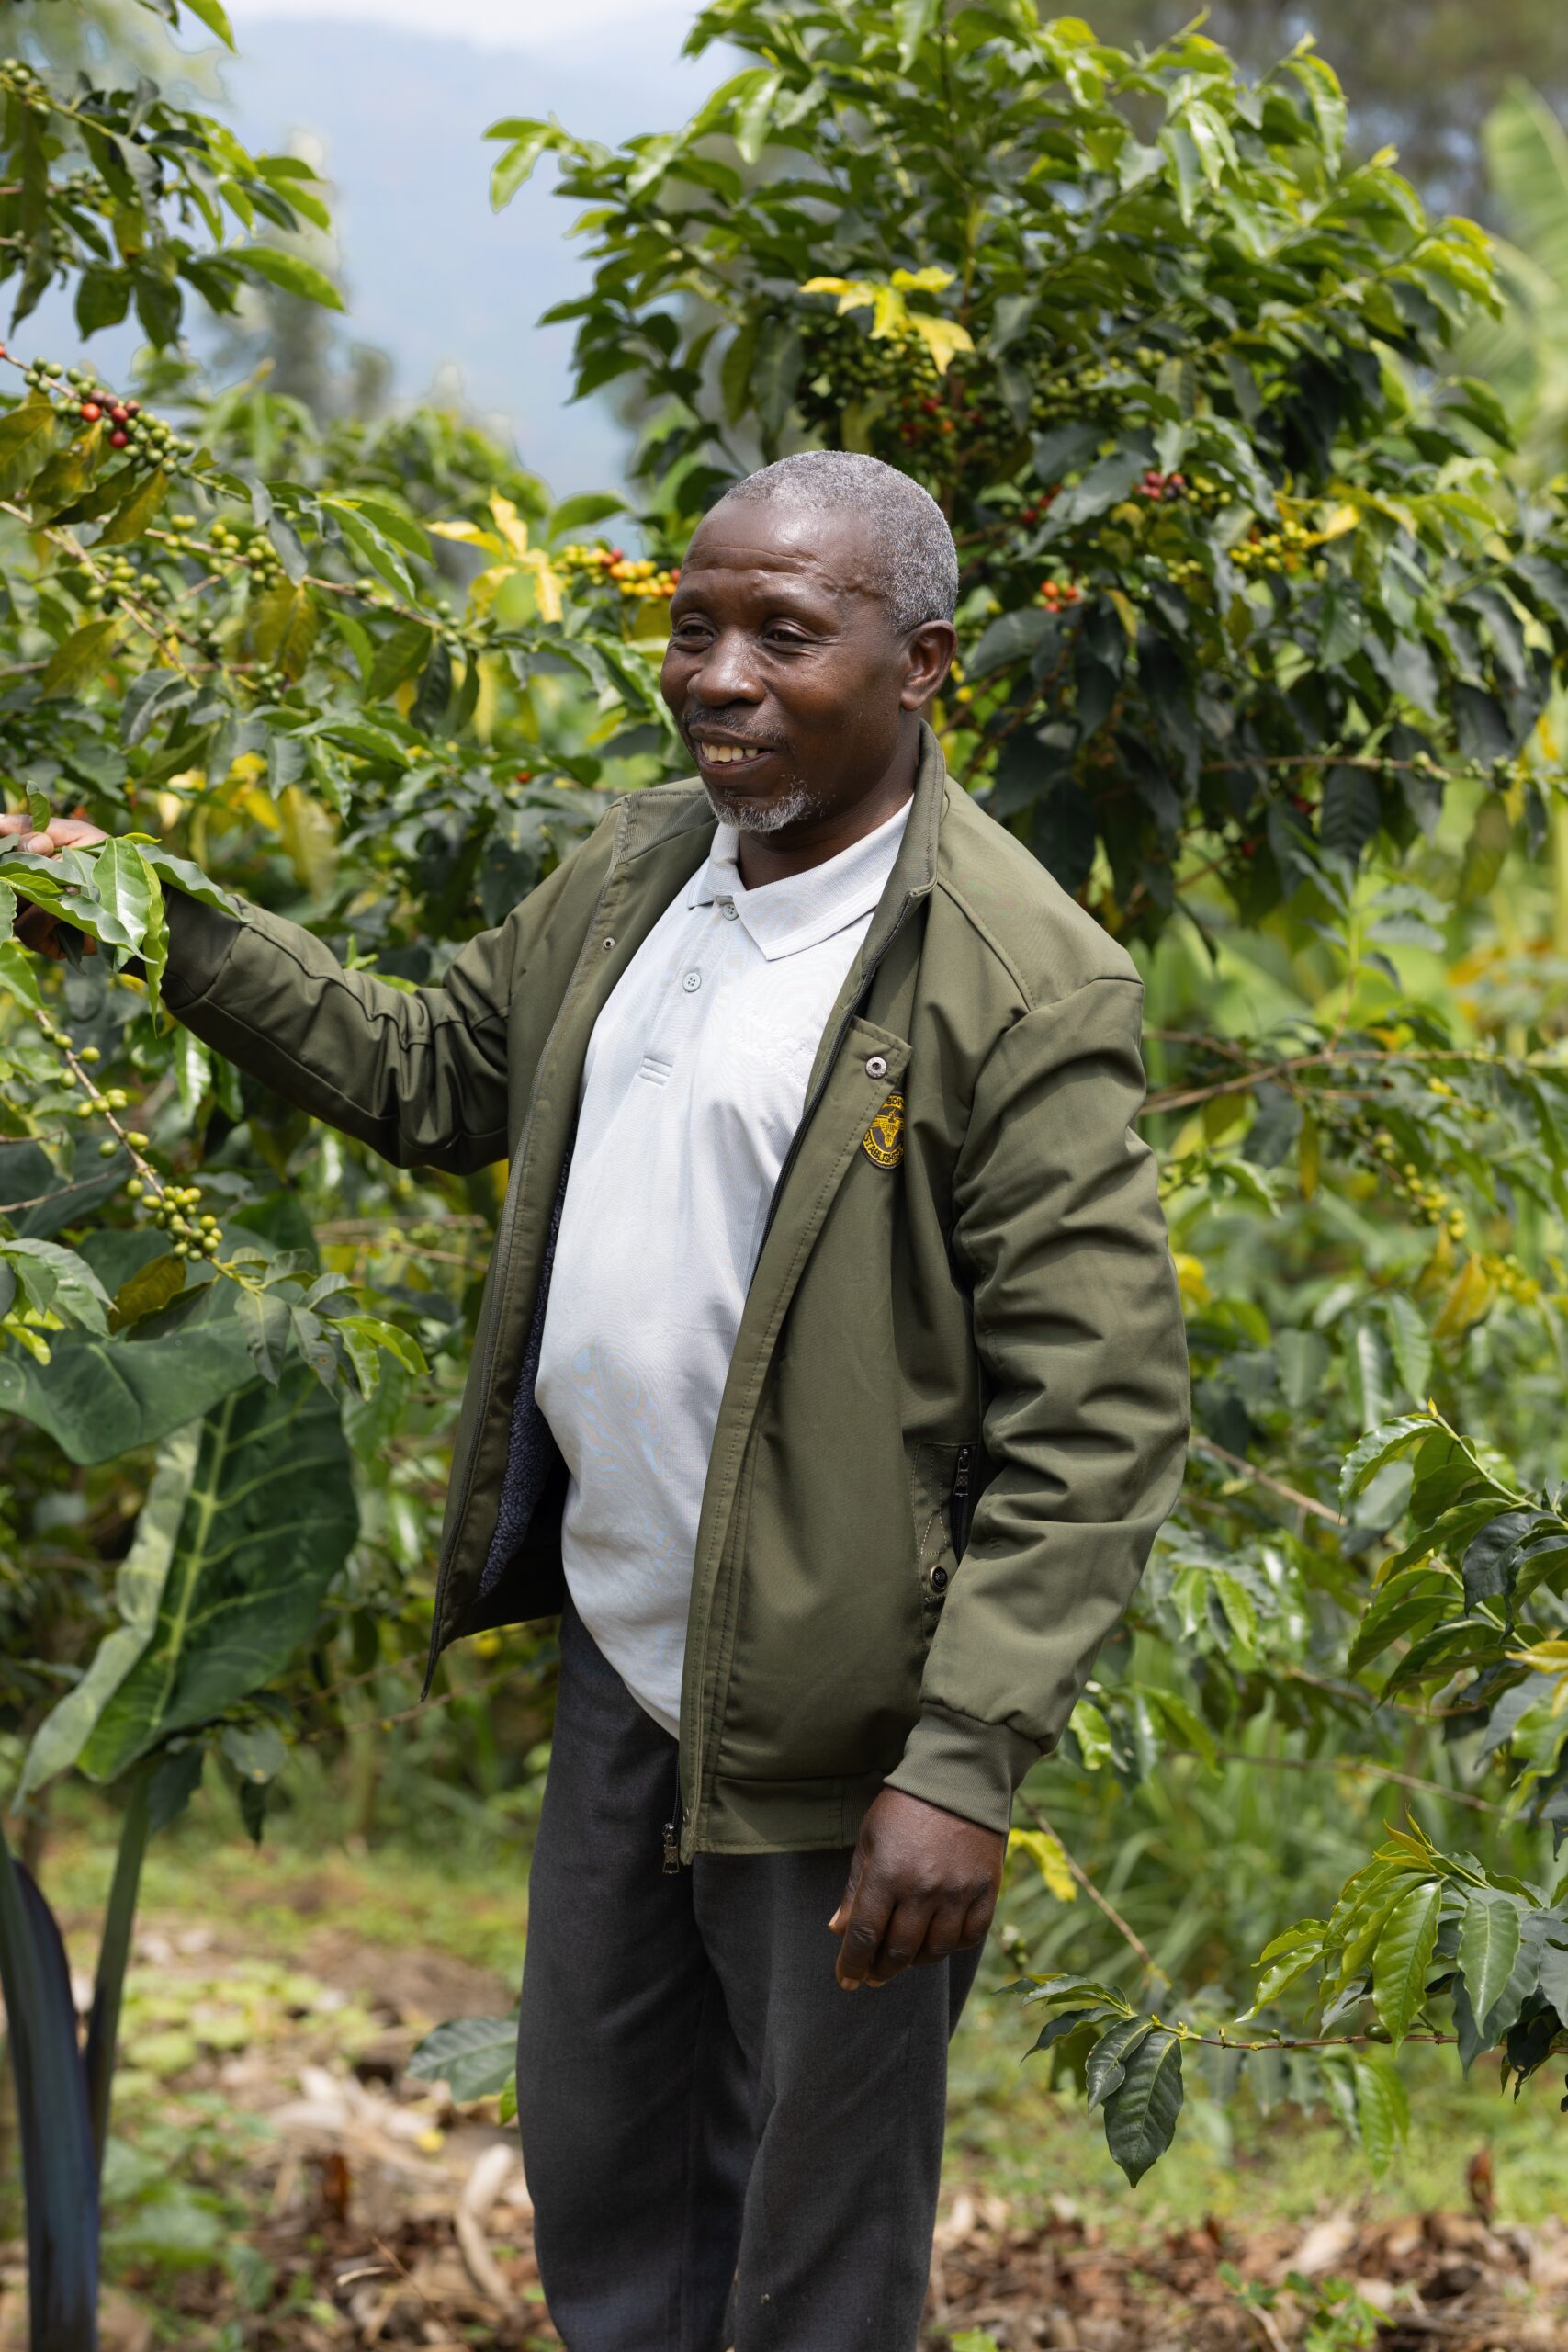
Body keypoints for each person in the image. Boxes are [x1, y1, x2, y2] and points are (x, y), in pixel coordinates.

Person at [5, 451, 1190, 2352]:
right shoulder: (643, 868)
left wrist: (959, 1764)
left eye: (782, 633)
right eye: (693, 625)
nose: (718, 675)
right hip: (629, 1660)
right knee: (612, 2180)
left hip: (836, 1721)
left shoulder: (1010, 976)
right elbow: (426, 1070)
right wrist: (155, 921)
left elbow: (1101, 1407)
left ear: (921, 665)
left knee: (810, 2246)